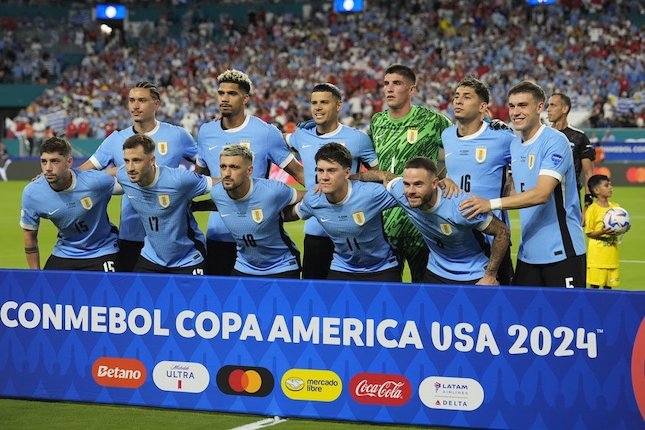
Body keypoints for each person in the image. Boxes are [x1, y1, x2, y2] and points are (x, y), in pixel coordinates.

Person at [461, 80, 587, 288]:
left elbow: (541, 194)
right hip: (527, 254)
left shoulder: (554, 141)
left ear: (539, 108)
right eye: (512, 106)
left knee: (567, 319)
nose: (516, 112)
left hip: (562, 251)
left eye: (523, 105)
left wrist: (490, 204)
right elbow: (515, 188)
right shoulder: (514, 145)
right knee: (526, 320)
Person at [195, 69, 305, 276]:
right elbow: (196, 180)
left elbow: (298, 173)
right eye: (221, 93)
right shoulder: (206, 132)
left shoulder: (265, 132)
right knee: (222, 303)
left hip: (260, 238)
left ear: (245, 98)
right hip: (218, 235)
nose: (224, 98)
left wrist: (330, 197)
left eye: (232, 93)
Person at [80, 81, 198, 272]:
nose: (135, 106)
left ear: (156, 104)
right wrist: (51, 178)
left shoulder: (178, 136)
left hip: (172, 235)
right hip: (132, 232)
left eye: (142, 100)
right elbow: (84, 171)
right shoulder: (116, 139)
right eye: (131, 100)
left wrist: (189, 192)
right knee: (133, 295)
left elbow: (204, 163)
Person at [359, 157, 510, 285]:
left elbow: (502, 232)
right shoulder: (402, 193)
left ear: (434, 183)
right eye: (407, 184)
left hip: (473, 274)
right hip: (435, 272)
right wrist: (352, 178)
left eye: (418, 184)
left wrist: (490, 274)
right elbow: (383, 176)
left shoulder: (460, 205)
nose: (411, 191)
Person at [285, 83, 379, 280]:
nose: (317, 107)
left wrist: (356, 179)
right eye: (314, 103)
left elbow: (377, 176)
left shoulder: (358, 139)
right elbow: (276, 139)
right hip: (315, 231)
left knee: (351, 296)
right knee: (314, 296)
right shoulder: (302, 135)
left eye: (324, 102)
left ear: (338, 106)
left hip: (351, 233)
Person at [369, 64, 453, 283]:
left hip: (423, 224)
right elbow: (372, 165)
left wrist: (443, 177)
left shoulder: (432, 121)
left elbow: (461, 144)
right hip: (386, 224)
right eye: (386, 83)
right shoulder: (377, 122)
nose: (389, 89)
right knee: (387, 291)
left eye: (397, 83)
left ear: (412, 89)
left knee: (424, 290)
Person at [285, 143, 400, 282]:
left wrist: (381, 175)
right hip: (343, 267)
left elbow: (409, 195)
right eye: (320, 170)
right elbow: (291, 214)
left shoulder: (370, 193)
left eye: (331, 170)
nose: (324, 177)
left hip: (382, 267)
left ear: (346, 173)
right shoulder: (314, 199)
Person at [442, 77, 516, 285]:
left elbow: (526, 159)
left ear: (483, 106)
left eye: (466, 97)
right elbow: (450, 171)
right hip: (456, 235)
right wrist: (443, 179)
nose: (458, 101)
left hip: (493, 238)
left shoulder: (502, 137)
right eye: (456, 96)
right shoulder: (447, 135)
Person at [115, 134, 211, 275]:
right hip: (151, 258)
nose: (130, 168)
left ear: (152, 160)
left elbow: (219, 185)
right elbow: (114, 174)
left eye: (136, 160)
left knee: (193, 297)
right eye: (126, 161)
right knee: (138, 296)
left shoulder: (178, 179)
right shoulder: (125, 176)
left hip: (188, 258)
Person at [20, 137, 120, 271]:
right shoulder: (32, 193)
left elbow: (128, 174)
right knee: (46, 290)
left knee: (110, 290)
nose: (48, 168)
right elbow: (29, 236)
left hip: (102, 250)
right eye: (44, 162)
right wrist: (36, 274)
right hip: (65, 252)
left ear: (69, 162)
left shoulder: (94, 181)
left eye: (55, 161)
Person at [210, 144, 303, 278]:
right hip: (244, 266)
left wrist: (294, 213)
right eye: (223, 167)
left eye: (234, 167)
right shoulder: (217, 193)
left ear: (249, 171)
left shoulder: (272, 191)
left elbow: (305, 197)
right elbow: (220, 205)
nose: (227, 173)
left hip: (281, 266)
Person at [546, 92, 595, 207]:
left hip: (570, 197)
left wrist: (588, 202)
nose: (548, 109)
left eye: (553, 105)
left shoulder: (579, 137)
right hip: (545, 196)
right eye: (548, 105)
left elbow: (589, 173)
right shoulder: (542, 135)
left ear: (564, 109)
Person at [585, 175, 625, 289]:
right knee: (595, 288)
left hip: (612, 257)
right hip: (597, 257)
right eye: (607, 185)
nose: (611, 188)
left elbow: (619, 228)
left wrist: (624, 228)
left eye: (610, 185)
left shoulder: (616, 208)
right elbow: (589, 233)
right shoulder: (592, 209)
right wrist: (602, 232)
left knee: (609, 290)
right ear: (596, 190)